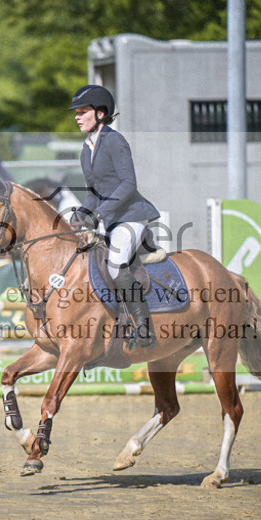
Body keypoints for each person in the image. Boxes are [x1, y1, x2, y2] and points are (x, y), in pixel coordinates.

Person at [68, 84, 160, 348]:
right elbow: (94, 192)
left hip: (131, 217)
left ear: (100, 114)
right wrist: (83, 212)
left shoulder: (114, 140)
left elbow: (128, 184)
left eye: (82, 112)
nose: (77, 116)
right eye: (76, 112)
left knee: (115, 264)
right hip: (109, 218)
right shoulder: (86, 148)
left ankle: (144, 328)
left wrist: (98, 213)